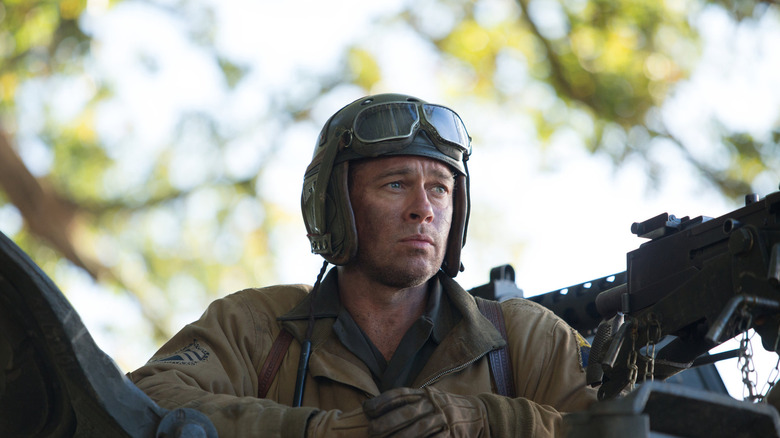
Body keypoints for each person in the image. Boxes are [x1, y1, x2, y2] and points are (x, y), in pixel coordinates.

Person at [128, 93, 598, 437]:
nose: (424, 209)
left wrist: (487, 421)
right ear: (335, 208)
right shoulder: (256, 329)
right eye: (395, 184)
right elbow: (140, 398)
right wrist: (317, 432)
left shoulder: (524, 339)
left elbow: (622, 427)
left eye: (439, 188)